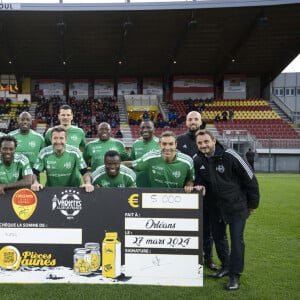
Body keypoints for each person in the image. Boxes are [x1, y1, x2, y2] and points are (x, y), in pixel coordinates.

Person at [193, 130, 259, 290]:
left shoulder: (230, 155)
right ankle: (226, 266)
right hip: (214, 207)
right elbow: (199, 179)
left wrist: (252, 204)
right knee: (218, 237)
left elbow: (250, 178)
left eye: (206, 142)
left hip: (236, 205)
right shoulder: (197, 159)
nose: (203, 145)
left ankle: (235, 276)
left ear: (214, 140)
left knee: (237, 241)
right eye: (200, 143)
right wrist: (199, 185)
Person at [177, 111, 216, 271]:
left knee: (207, 227)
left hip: (206, 191)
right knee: (183, 225)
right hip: (186, 190)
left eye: (196, 119)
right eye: (190, 119)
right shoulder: (179, 140)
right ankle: (185, 256)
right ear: (186, 122)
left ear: (201, 121)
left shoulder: (207, 139)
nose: (193, 121)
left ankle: (209, 258)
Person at [123, 131, 194, 192]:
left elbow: (191, 178)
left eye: (171, 144)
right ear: (159, 145)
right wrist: (114, 165)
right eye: (164, 144)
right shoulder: (151, 157)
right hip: (156, 199)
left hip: (178, 199)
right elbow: (132, 164)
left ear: (176, 145)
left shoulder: (187, 161)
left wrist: (189, 185)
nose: (167, 147)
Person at [31, 127, 94, 192]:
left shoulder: (75, 152)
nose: (58, 141)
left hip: (73, 190)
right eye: (55, 138)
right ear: (51, 139)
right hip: (51, 191)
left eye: (61, 138)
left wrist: (88, 183)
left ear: (66, 140)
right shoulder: (44, 152)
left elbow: (84, 172)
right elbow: (35, 172)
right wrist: (35, 182)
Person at [130, 120, 160, 187]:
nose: (145, 130)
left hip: (156, 182)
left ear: (154, 129)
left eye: (148, 127)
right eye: (142, 128)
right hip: (139, 182)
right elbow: (132, 163)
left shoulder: (160, 143)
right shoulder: (135, 144)